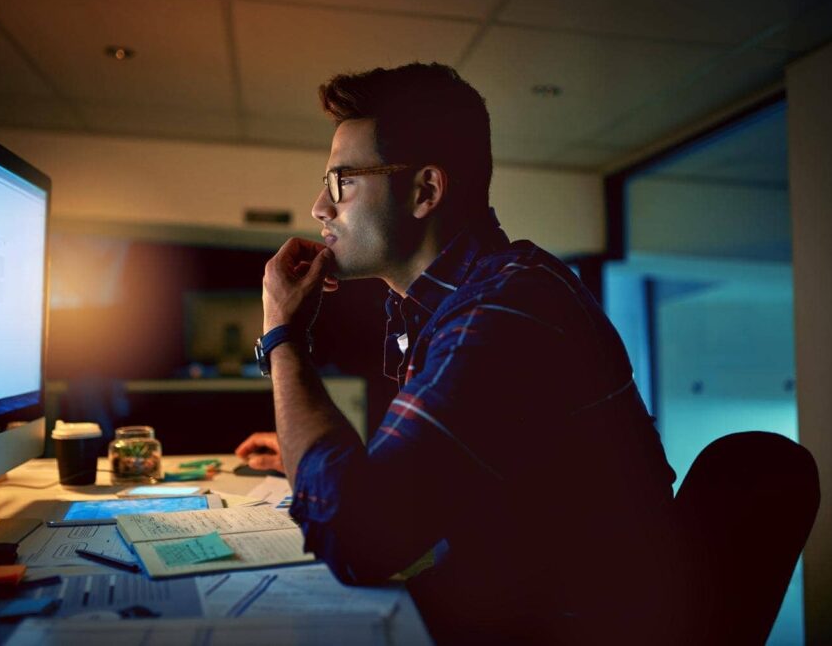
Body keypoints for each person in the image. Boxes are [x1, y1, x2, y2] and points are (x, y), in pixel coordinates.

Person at [236, 63, 678, 644]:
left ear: (425, 191)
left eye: (343, 181)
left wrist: (282, 336)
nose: (321, 206)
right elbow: (423, 487)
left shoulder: (506, 309)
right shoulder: (447, 304)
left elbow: (360, 538)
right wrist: (316, 460)